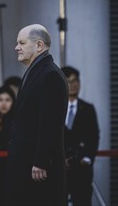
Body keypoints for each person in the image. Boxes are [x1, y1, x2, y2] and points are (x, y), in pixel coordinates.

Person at [5, 24, 68, 205]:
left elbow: (50, 123)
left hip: (38, 168)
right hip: (26, 163)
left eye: (22, 43)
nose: (17, 47)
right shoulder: (37, 71)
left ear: (39, 46)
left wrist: (40, 161)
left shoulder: (50, 75)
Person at [61, 66, 100, 206]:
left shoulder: (88, 109)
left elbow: (94, 135)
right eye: (68, 81)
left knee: (82, 201)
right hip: (60, 169)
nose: (73, 85)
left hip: (81, 168)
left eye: (75, 80)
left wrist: (88, 158)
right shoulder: (54, 108)